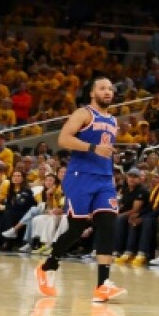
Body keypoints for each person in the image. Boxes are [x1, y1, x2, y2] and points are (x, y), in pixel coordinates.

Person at [34, 77, 126, 304]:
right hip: (80, 176)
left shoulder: (114, 120)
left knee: (108, 224)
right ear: (93, 93)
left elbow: (105, 150)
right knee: (77, 227)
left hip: (104, 179)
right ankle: (48, 266)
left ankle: (102, 285)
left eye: (111, 89)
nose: (108, 92)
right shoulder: (83, 113)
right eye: (103, 88)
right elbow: (63, 139)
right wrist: (93, 148)